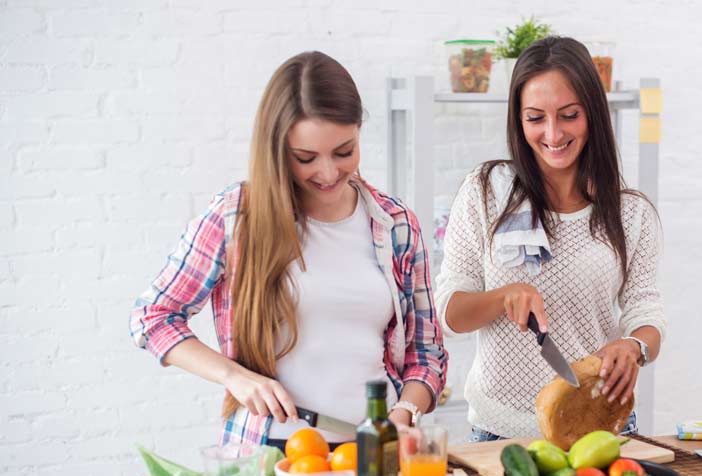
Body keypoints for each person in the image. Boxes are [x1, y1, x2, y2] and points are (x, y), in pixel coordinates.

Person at [130, 52, 447, 451]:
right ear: (277, 149)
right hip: (270, 453)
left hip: (374, 452)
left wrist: (404, 415)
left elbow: (427, 351)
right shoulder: (237, 217)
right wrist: (235, 377)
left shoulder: (396, 224)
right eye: (306, 158)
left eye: (344, 151)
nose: (329, 173)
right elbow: (152, 317)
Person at [435, 37, 665, 442]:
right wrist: (503, 296)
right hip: (498, 433)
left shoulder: (631, 213)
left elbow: (646, 310)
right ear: (518, 119)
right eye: (535, 117)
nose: (553, 133)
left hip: (598, 428)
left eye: (569, 115)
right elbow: (450, 314)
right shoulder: (486, 191)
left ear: (592, 112)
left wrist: (633, 346)